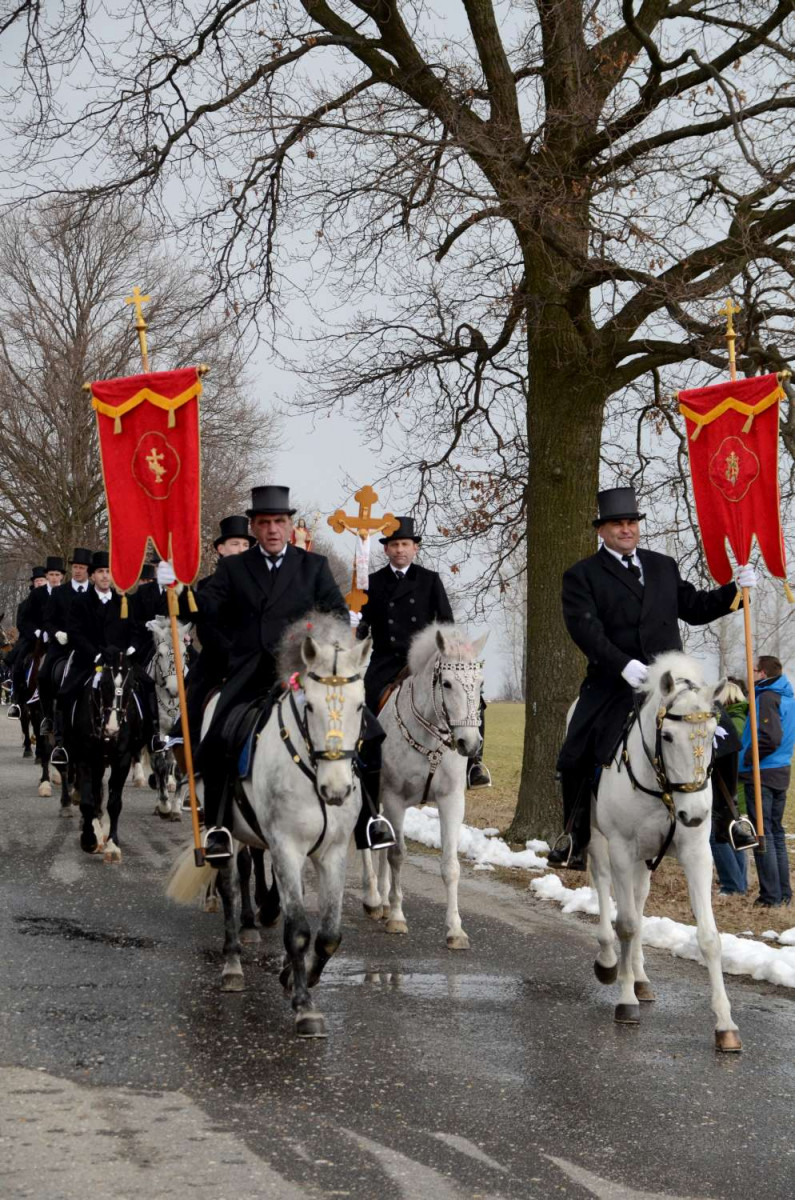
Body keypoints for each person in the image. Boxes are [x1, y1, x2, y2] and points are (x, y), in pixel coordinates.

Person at [159, 485, 393, 861]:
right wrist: (176, 589)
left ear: (288, 526)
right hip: (250, 673)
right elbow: (206, 607)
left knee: (371, 733)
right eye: (264, 522)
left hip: (302, 673)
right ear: (253, 527)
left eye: (279, 522)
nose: (272, 529)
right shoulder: (234, 567)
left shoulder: (311, 566)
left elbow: (334, 613)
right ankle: (218, 825)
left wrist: (322, 645)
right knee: (217, 737)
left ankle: (369, 817)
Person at [548, 485, 755, 869]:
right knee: (574, 750)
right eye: (617, 524)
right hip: (614, 681)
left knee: (727, 735)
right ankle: (573, 836)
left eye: (631, 523)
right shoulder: (582, 575)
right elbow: (584, 629)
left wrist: (735, 593)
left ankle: (730, 819)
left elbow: (693, 607)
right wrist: (622, 664)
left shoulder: (662, 565)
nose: (626, 530)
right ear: (602, 530)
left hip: (672, 681)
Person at [357, 515, 492, 789]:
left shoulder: (430, 580)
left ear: (415, 547)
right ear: (386, 549)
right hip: (385, 660)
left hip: (424, 659)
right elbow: (363, 626)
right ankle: (364, 760)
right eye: (394, 545)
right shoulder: (371, 582)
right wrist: (353, 624)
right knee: (363, 700)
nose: (399, 550)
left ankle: (475, 762)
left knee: (471, 696)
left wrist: (454, 653)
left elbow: (446, 623)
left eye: (405, 544)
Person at [63, 552, 160, 751]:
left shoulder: (123, 601)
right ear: (92, 576)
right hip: (89, 660)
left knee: (149, 685)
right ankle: (62, 742)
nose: (105, 576)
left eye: (109, 572)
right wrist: (94, 654)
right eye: (100, 572)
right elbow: (75, 632)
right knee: (66, 692)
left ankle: (152, 736)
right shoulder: (81, 602)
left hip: (121, 661)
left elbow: (134, 629)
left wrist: (132, 646)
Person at [184, 514, 254, 747]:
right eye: (235, 544)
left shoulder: (262, 585)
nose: (241, 549)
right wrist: (233, 654)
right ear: (221, 549)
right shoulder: (206, 585)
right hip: (217, 663)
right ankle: (190, 757)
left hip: (254, 663)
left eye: (246, 545)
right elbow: (206, 629)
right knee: (193, 706)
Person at [739, 655, 795, 908]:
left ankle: (770, 896)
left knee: (764, 834)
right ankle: (783, 893)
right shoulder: (787, 695)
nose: (750, 675)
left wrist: (749, 758)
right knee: (776, 833)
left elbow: (770, 738)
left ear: (762, 673)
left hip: (763, 772)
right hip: (781, 770)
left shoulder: (767, 697)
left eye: (752, 670)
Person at [38, 548, 93, 746]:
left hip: (87, 647)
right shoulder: (60, 592)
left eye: (82, 567)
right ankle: (48, 718)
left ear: (88, 570)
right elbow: (47, 620)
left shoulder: (96, 593)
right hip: (62, 646)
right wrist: (56, 633)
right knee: (43, 675)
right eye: (75, 567)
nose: (77, 571)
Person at [710, 677, 756, 898]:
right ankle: (738, 883)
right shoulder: (736, 717)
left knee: (720, 834)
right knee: (729, 832)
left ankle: (733, 884)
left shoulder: (732, 720)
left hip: (728, 785)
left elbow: (728, 751)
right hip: (730, 784)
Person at [6, 566, 47, 718]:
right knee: (18, 661)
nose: (39, 583)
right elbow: (21, 623)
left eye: (42, 580)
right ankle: (16, 698)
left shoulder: (54, 598)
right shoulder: (25, 603)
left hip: (50, 638)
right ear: (33, 583)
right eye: (37, 581)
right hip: (30, 638)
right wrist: (35, 632)